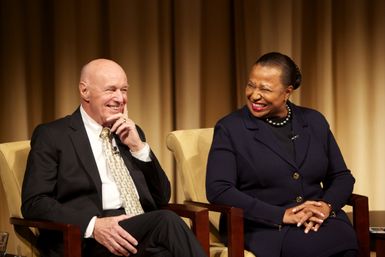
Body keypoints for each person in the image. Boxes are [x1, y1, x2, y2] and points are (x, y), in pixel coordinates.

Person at [21, 58, 207, 257]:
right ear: (85, 91)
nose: (120, 98)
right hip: (86, 239)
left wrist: (139, 147)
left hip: (138, 232)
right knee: (167, 221)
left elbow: (161, 196)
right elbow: (35, 202)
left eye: (124, 90)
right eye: (111, 90)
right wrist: (93, 225)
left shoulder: (130, 134)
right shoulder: (53, 135)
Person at [206, 52, 358, 257]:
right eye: (251, 85)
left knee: (344, 242)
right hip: (264, 226)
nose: (254, 95)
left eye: (265, 89)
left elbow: (341, 176)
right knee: (310, 248)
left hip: (319, 221)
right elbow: (218, 189)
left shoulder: (314, 121)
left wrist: (326, 206)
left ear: (287, 92)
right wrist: (282, 215)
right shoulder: (231, 128)